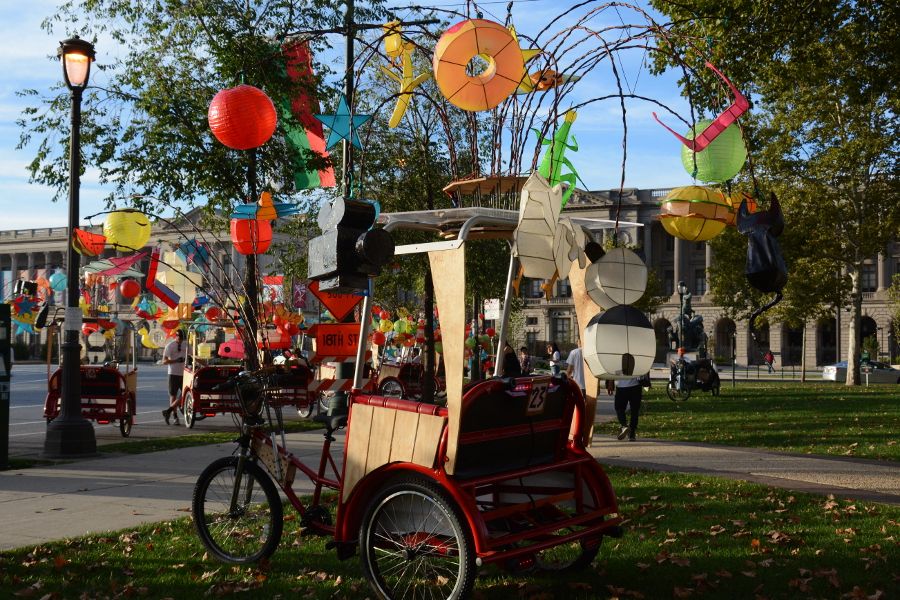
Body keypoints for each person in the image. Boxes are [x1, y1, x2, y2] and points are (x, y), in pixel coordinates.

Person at [161, 329, 186, 425]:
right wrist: (176, 360)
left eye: (182, 339)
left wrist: (204, 364)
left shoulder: (186, 345)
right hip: (173, 373)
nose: (180, 340)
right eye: (179, 338)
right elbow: (164, 361)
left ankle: (168, 411)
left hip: (184, 374)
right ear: (176, 336)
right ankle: (175, 417)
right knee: (173, 395)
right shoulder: (170, 346)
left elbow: (193, 355)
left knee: (185, 394)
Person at [608, 376, 643, 441]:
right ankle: (632, 433)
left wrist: (610, 384)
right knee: (634, 410)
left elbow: (612, 371)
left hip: (622, 387)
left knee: (619, 408)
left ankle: (624, 425)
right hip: (636, 386)